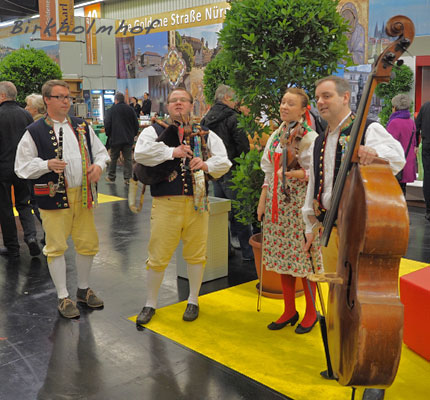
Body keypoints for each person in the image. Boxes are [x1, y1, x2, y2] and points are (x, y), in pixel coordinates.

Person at [302, 76, 405, 399]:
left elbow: (397, 157)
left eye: (327, 96)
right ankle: (342, 360)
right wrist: (310, 223)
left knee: (367, 302)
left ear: (346, 97)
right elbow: (314, 184)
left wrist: (370, 153)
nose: (321, 102)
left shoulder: (367, 129)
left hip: (360, 230)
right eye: (318, 97)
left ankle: (371, 371)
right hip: (332, 229)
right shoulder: (321, 139)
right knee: (337, 302)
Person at [134, 87, 231, 324]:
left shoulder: (206, 133)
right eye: (173, 100)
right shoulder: (154, 131)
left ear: (191, 105)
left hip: (198, 204)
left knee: (196, 254)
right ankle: (150, 303)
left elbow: (224, 161)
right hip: (166, 203)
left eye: (183, 100)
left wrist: (206, 166)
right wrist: (172, 152)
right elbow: (140, 154)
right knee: (157, 255)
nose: (178, 104)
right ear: (167, 106)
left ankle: (193, 299)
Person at [15, 79, 110, 319]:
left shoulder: (81, 126)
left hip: (83, 195)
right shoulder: (33, 132)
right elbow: (21, 166)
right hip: (53, 197)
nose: (67, 101)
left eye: (68, 97)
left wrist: (99, 166)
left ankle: (83, 289)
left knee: (88, 244)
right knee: (56, 247)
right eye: (60, 97)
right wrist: (46, 164)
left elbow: (101, 152)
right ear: (47, 100)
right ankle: (62, 296)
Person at [257, 87, 323, 334]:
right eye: (283, 102)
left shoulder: (310, 137)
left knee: (304, 261)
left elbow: (319, 174)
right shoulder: (276, 134)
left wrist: (300, 173)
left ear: (304, 109)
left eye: (291, 103)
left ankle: (310, 312)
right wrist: (263, 199)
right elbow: (267, 170)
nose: (285, 107)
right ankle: (289, 309)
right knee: (285, 259)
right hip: (278, 206)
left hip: (299, 206)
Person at [201, 84, 254, 261]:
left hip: (215, 170)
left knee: (222, 211)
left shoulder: (206, 118)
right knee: (240, 212)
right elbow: (243, 146)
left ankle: (225, 249)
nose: (238, 102)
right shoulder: (233, 118)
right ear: (227, 98)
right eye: (235, 98)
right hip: (234, 169)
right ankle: (248, 252)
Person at [0, 81, 40, 258]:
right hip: (23, 167)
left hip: (3, 168)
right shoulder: (26, 115)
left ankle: (12, 247)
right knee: (25, 204)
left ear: (2, 95)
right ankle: (31, 237)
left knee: (6, 207)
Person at [104, 92, 139, 185]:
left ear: (116, 100)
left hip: (115, 138)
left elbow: (107, 123)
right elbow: (136, 124)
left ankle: (111, 177)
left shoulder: (111, 110)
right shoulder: (130, 109)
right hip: (128, 139)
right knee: (128, 159)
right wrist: (133, 135)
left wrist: (109, 134)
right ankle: (127, 178)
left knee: (113, 158)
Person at [386, 94, 416, 195]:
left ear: (395, 107)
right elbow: (414, 142)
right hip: (407, 160)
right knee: (402, 189)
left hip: (397, 162)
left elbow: (388, 144)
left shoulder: (394, 122)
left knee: (394, 191)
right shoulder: (411, 122)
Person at [415, 101, 430, 220]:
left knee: (428, 177)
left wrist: (415, 144)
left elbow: (416, 126)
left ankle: (429, 210)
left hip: (427, 145)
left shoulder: (425, 106)